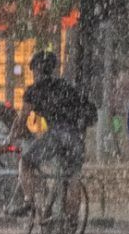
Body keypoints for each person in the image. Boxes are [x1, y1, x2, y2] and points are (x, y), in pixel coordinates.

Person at [19, 55, 96, 217]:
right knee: (72, 176)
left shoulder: (34, 90)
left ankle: (29, 202)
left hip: (56, 136)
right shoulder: (67, 87)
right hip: (75, 139)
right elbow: (90, 111)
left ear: (37, 70)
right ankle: (71, 221)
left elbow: (21, 119)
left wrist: (10, 139)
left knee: (26, 162)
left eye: (34, 71)